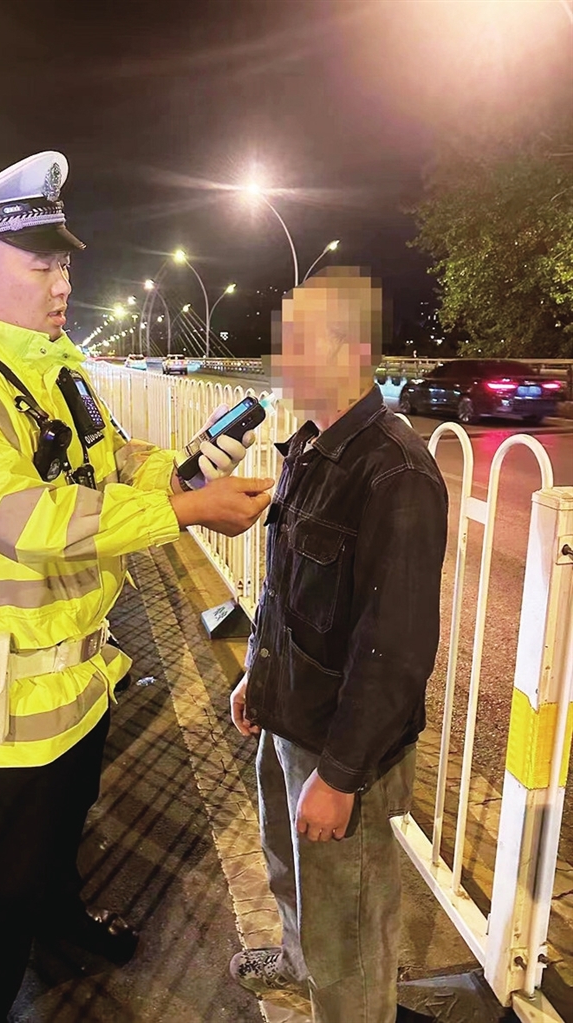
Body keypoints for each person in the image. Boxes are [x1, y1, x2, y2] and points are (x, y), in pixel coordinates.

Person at [0, 150, 272, 1023]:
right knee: (2, 878)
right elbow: (34, 519)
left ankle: (62, 918)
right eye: (41, 266)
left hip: (84, 675)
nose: (62, 283)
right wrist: (185, 511)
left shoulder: (56, 362)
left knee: (63, 832)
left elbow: (112, 457)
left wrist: (183, 471)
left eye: (64, 265)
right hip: (4, 695)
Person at [229, 269, 448, 1023]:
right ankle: (300, 969)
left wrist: (342, 773)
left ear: (352, 349)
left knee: (349, 925)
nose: (280, 357)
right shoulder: (311, 448)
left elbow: (395, 646)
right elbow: (284, 590)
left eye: (299, 340)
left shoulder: (395, 471)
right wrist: (257, 677)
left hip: (341, 746)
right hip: (289, 718)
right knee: (295, 879)